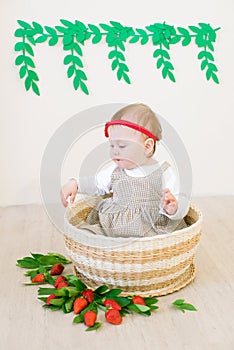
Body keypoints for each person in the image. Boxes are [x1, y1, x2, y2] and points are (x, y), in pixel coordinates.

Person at [61, 103, 189, 237]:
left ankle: (137, 251)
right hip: (113, 224)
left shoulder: (163, 172)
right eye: (112, 145)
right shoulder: (115, 170)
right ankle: (98, 243)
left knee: (158, 239)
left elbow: (180, 199)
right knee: (89, 231)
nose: (115, 151)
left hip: (149, 228)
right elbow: (97, 183)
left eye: (121, 146)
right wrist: (75, 183)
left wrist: (173, 208)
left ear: (147, 146)